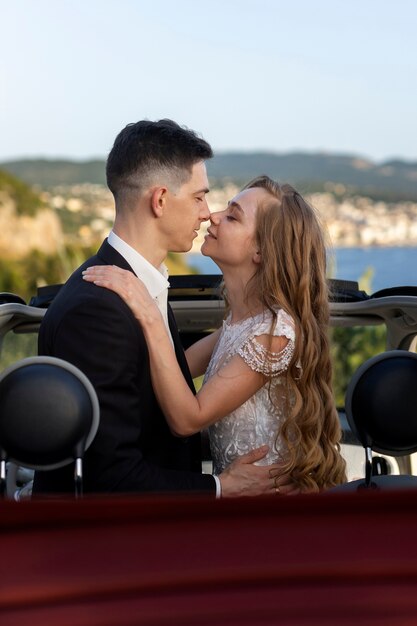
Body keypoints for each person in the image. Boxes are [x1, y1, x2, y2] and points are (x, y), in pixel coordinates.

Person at [33, 120, 292, 497]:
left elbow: (154, 420)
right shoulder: (96, 312)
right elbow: (110, 477)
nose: (207, 213)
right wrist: (220, 487)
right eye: (199, 197)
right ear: (160, 200)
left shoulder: (142, 287)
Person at [83, 175, 347, 492]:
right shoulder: (238, 326)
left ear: (262, 251)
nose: (213, 216)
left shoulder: (274, 335)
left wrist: (148, 311)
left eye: (233, 216)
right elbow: (170, 371)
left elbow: (188, 419)